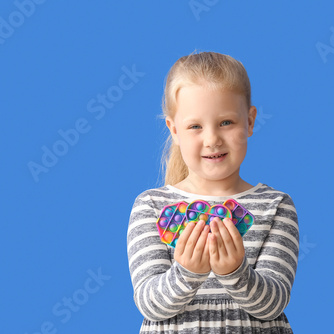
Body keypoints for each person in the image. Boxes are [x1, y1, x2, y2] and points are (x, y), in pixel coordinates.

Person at [127, 51, 299, 333]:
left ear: (250, 121)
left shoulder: (275, 206)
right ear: (174, 130)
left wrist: (236, 272)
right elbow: (150, 305)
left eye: (226, 122)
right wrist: (186, 273)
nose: (212, 140)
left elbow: (273, 304)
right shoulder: (152, 207)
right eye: (195, 126)